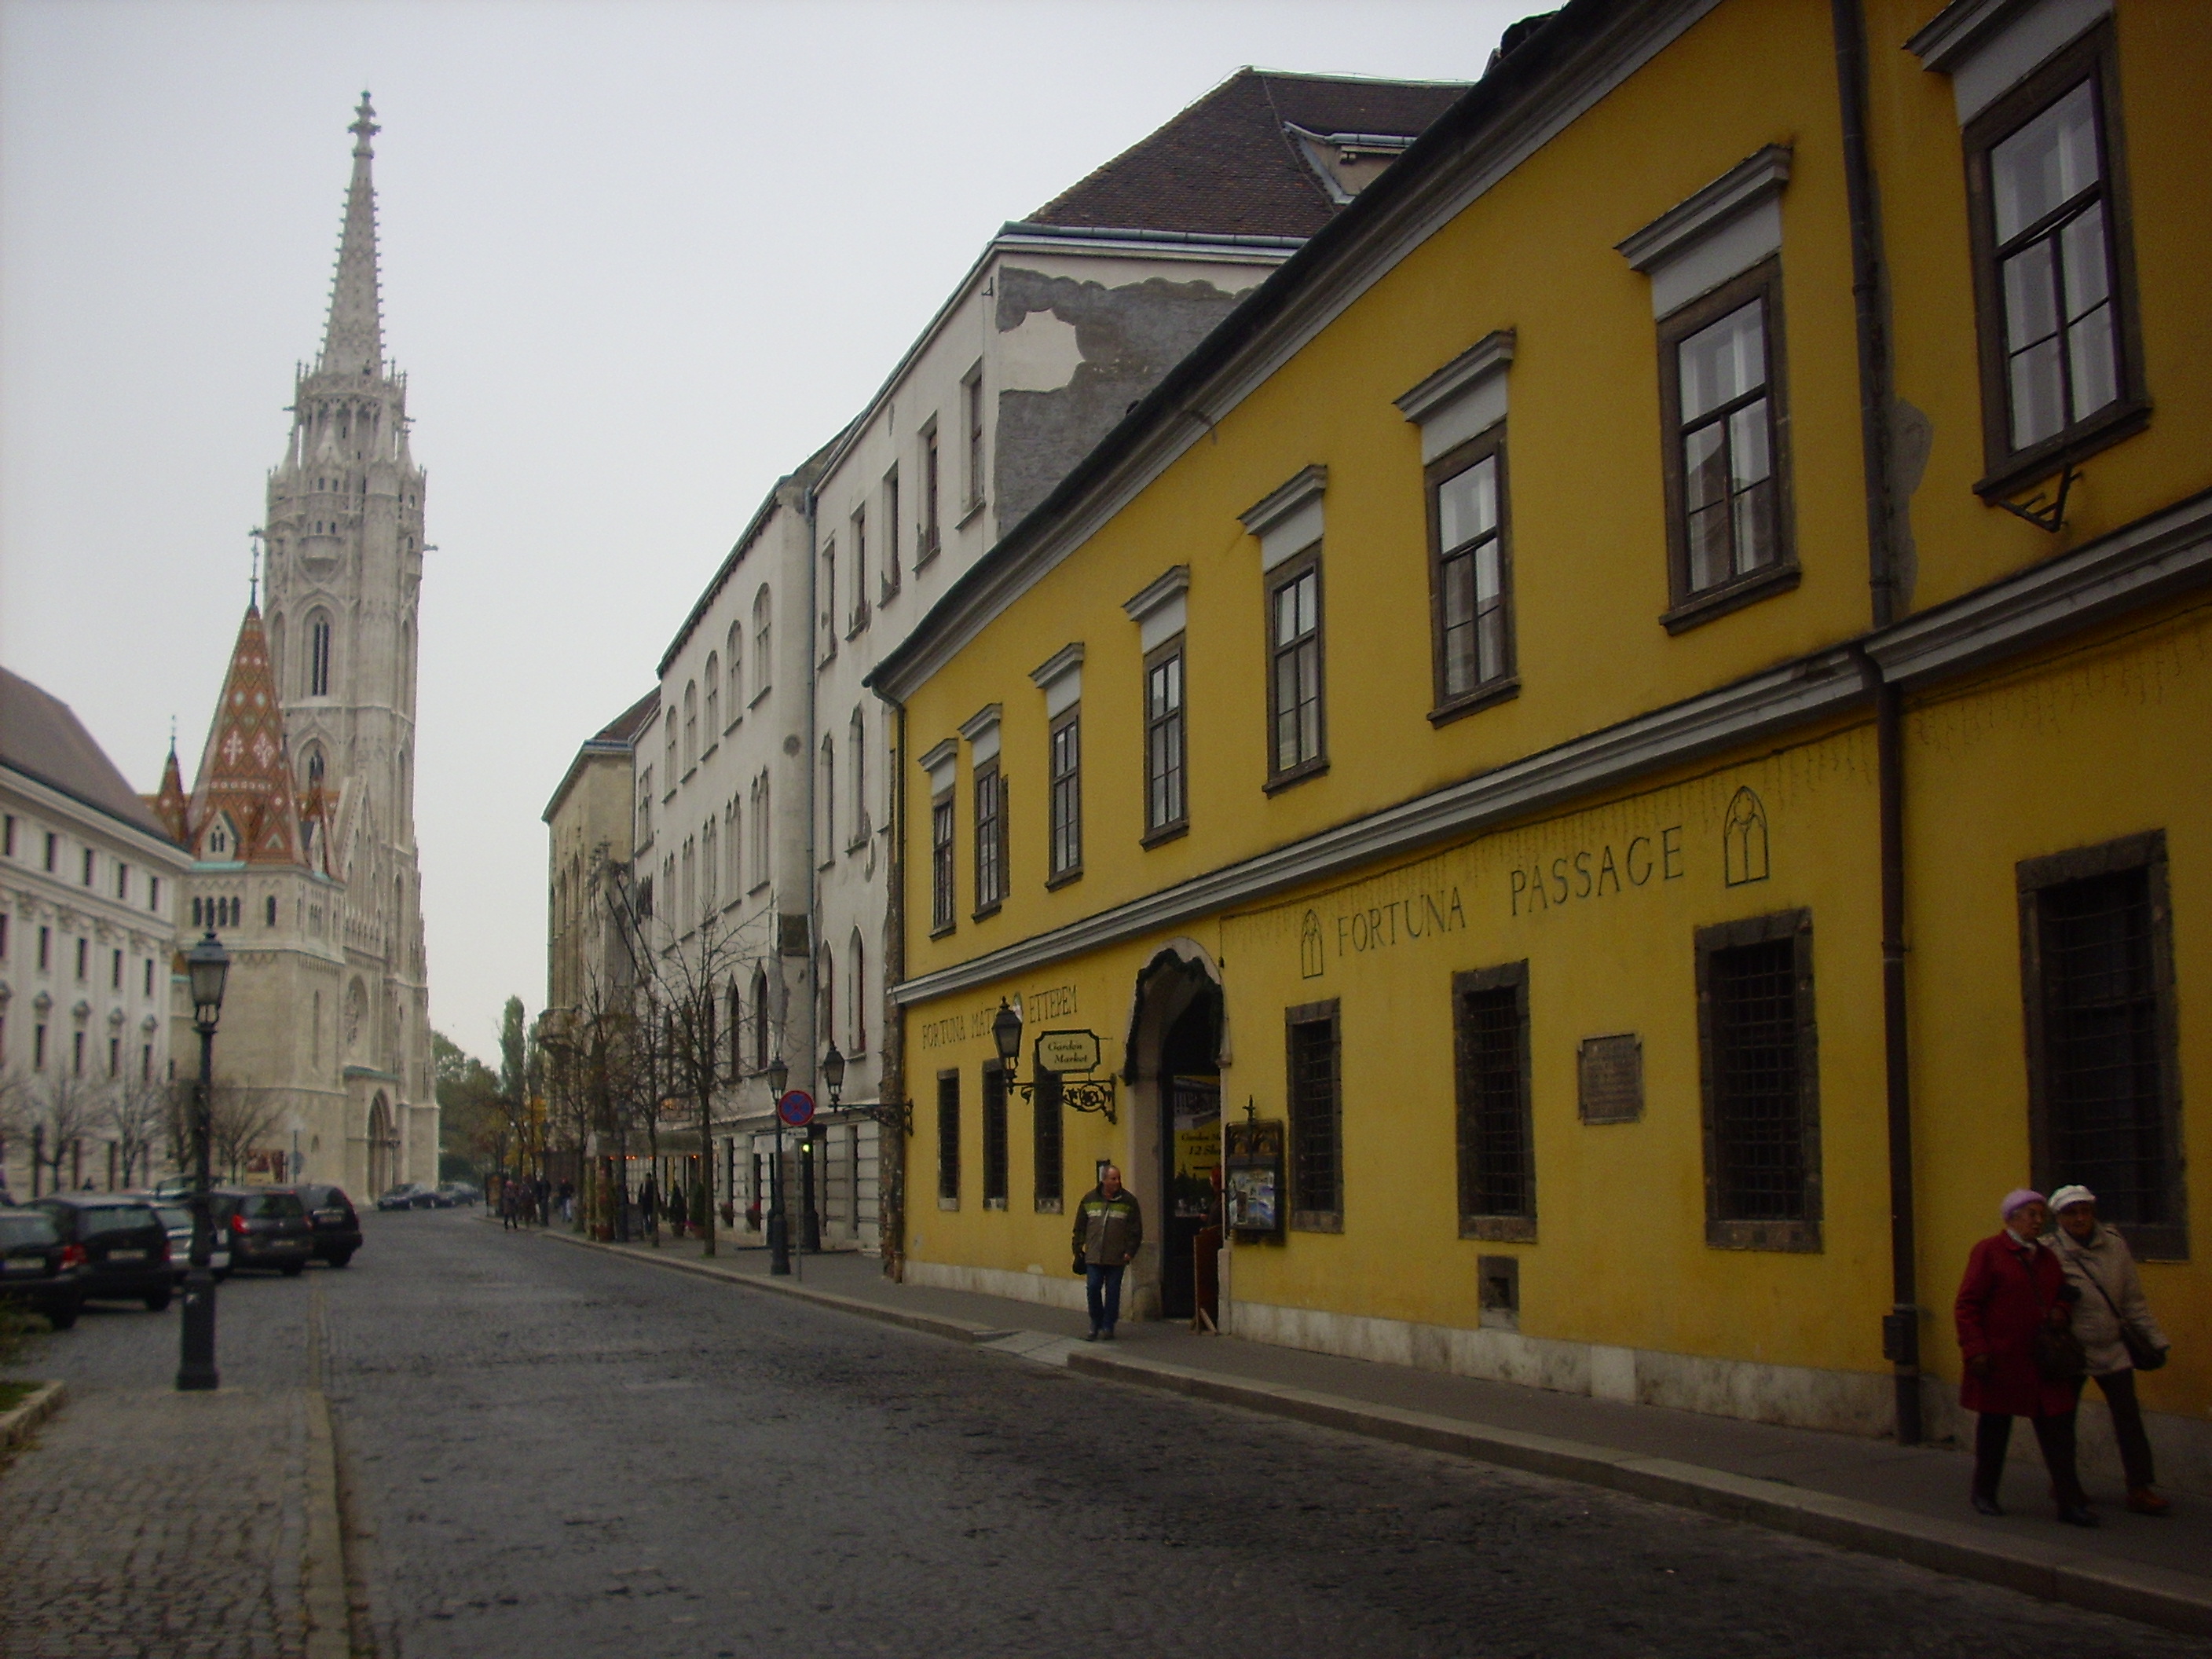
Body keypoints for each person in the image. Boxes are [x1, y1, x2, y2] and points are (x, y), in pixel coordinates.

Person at [1954, 1188, 2093, 1525]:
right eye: (2031, 1214)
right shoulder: (1989, 1252)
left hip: (2043, 1360)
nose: (2037, 1220)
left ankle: (2069, 1502)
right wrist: (1976, 1349)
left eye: (2040, 1214)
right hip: (2002, 1358)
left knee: (2058, 1432)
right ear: (2012, 1217)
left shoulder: (2046, 1257)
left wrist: (2061, 1309)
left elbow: (2063, 1293)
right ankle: (1984, 1492)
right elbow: (1967, 1305)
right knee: (1995, 1429)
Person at [2046, 1185, 2173, 1516]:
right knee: (2062, 1420)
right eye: (2071, 1213)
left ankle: (2140, 1487)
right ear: (2059, 1218)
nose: (2080, 1218)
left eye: (2085, 1211)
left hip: (2113, 1346)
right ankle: (2065, 1484)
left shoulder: (2115, 1247)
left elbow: (2133, 1301)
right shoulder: (2049, 1252)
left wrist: (2154, 1339)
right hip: (2072, 1350)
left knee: (2128, 1418)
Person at [1071, 1165, 1143, 1342]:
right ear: (1104, 1180)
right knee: (1093, 1288)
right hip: (1094, 1255)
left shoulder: (1128, 1201)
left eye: (1118, 1178)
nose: (1117, 1182)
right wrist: (1077, 1249)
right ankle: (1095, 1321)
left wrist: (1130, 1252)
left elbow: (1135, 1230)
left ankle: (1108, 1325)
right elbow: (1080, 1226)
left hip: (1117, 1256)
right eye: (1113, 1179)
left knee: (1113, 1292)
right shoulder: (1089, 1199)